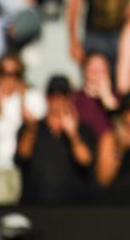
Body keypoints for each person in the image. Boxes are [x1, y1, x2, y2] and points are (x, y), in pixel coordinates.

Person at [15, 75, 95, 204]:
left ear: (71, 98)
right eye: (52, 95)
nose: (58, 100)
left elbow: (86, 162)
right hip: (35, 205)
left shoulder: (83, 130)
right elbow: (22, 156)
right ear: (46, 98)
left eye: (63, 95)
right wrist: (30, 128)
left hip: (73, 206)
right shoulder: (31, 128)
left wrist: (73, 135)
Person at [0, 54, 45, 204]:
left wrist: (23, 100)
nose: (9, 78)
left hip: (25, 169)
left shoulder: (32, 97)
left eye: (15, 74)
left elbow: (39, 129)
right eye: (4, 73)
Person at [73, 52, 118, 140]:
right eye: (93, 70)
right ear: (85, 72)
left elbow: (120, 127)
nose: (97, 75)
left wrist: (107, 98)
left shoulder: (118, 98)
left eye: (101, 71)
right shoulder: (75, 99)